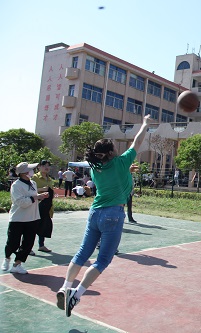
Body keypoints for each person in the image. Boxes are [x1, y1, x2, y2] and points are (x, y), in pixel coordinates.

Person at [57, 115, 151, 317]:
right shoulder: (120, 161)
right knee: (103, 260)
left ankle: (65, 288)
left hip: (95, 212)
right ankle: (77, 294)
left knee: (82, 254)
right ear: (110, 153)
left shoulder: (95, 167)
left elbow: (114, 172)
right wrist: (145, 124)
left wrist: (127, 169)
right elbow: (138, 141)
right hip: (113, 214)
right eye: (114, 149)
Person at [1, 162, 49, 274]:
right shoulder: (16, 185)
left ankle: (17, 264)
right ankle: (7, 258)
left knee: (28, 243)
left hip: (32, 218)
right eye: (30, 170)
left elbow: (33, 199)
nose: (32, 171)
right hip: (18, 219)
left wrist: (40, 197)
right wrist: (36, 197)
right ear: (24, 173)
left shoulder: (33, 183)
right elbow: (21, 202)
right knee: (12, 243)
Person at [31, 160, 55, 254]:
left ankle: (41, 245)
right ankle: (28, 247)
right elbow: (30, 190)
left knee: (44, 225)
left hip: (46, 207)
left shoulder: (49, 179)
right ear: (39, 167)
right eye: (44, 165)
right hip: (36, 206)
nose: (47, 167)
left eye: (48, 165)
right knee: (33, 226)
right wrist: (42, 190)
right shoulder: (34, 177)